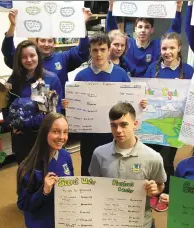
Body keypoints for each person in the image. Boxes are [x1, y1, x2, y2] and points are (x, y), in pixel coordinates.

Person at [89, 102, 166, 228]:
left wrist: (156, 190)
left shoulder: (153, 157)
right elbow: (94, 184)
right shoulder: (99, 153)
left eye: (124, 125)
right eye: (114, 126)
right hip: (109, 220)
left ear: (135, 124)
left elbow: (160, 186)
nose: (118, 131)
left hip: (138, 222)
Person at [62, 33, 146, 176]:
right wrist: (69, 105)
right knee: (89, 169)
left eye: (102, 49)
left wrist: (140, 104)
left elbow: (129, 104)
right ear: (89, 51)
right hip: (90, 136)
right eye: (94, 50)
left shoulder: (121, 74)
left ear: (108, 50)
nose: (99, 54)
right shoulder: (81, 76)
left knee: (114, 169)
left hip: (114, 134)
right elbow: (76, 106)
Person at [16, 112, 74, 228]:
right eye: (55, 131)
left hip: (61, 222)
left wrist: (75, 218)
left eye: (65, 132)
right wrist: (44, 191)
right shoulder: (28, 168)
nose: (61, 137)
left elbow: (71, 191)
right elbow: (22, 204)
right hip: (40, 224)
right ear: (45, 133)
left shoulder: (65, 156)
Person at [143, 32, 194, 212]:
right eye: (164, 48)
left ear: (179, 48)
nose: (168, 52)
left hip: (173, 126)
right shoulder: (152, 69)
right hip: (153, 124)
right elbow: (145, 93)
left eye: (172, 48)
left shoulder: (188, 71)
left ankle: (166, 194)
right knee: (150, 159)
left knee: (166, 161)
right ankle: (151, 192)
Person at [2, 7, 92, 98]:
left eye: (50, 41)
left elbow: (83, 51)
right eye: (43, 40)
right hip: (30, 109)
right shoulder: (27, 60)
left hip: (57, 108)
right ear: (36, 42)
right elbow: (8, 52)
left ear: (54, 43)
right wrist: (12, 25)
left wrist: (82, 24)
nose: (46, 44)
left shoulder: (63, 58)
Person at [5, 40, 63, 164]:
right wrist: (12, 124)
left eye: (32, 55)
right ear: (19, 60)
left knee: (47, 172)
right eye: (24, 57)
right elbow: (7, 107)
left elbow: (57, 111)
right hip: (22, 138)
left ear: (38, 56)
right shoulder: (14, 81)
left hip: (45, 136)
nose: (29, 60)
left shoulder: (52, 79)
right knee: (25, 174)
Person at [106, 0, 183, 77]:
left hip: (150, 84)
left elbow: (174, 31)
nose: (143, 30)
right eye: (140, 27)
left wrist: (178, 9)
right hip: (128, 83)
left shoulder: (157, 45)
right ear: (135, 29)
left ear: (152, 30)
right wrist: (111, 7)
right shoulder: (127, 43)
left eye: (147, 27)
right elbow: (112, 31)